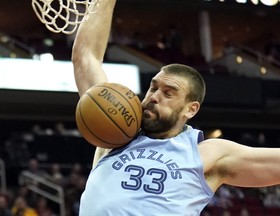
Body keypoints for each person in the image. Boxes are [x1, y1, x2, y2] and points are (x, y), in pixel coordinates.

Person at [72, 0, 280, 215]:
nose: (154, 97)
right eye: (153, 88)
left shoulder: (205, 154)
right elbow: (85, 58)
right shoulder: (114, 130)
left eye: (168, 93)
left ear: (190, 109)